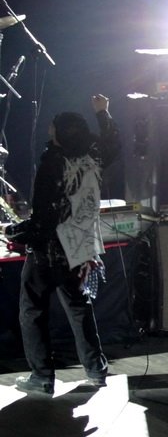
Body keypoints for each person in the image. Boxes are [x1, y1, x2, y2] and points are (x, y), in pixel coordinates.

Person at [3, 94, 121, 395]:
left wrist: (15, 232)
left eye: (53, 126)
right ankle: (97, 370)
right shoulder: (93, 156)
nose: (49, 129)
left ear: (60, 133)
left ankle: (42, 377)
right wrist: (103, 112)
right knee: (80, 308)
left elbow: (45, 220)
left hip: (50, 252)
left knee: (32, 312)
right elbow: (112, 143)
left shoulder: (52, 163)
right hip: (80, 248)